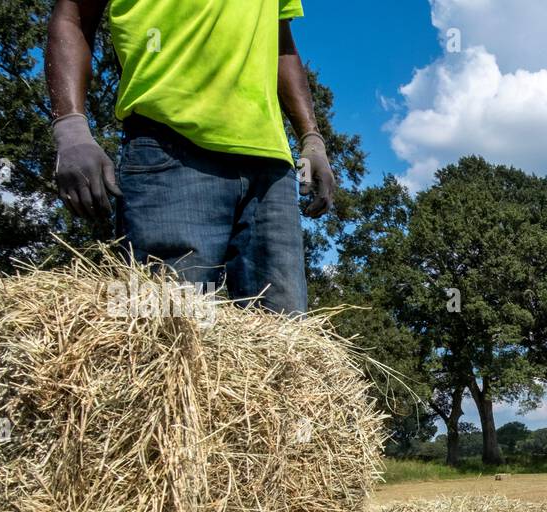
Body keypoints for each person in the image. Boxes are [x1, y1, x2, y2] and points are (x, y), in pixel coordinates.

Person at [45, 0, 335, 314]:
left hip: (271, 169)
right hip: (170, 151)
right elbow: (72, 16)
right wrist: (70, 125)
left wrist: (311, 137)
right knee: (166, 327)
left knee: (285, 342)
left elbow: (281, 43)